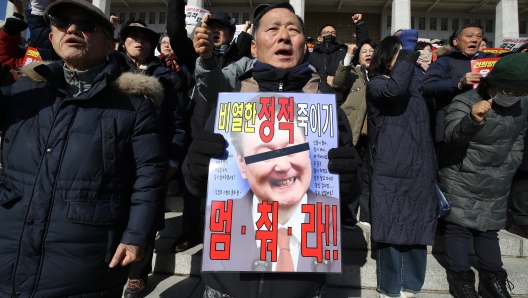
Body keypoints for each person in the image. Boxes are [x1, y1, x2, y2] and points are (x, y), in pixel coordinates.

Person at [186, 3, 362, 297]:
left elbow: (350, 191)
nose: (284, 37)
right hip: (227, 283)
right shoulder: (230, 104)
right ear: (254, 47)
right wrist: (195, 168)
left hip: (301, 287)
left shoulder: (328, 110)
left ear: (304, 46)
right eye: (273, 29)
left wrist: (348, 181)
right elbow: (197, 184)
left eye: (293, 30)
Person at [0, 0, 168, 297]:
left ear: (109, 45)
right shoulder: (23, 91)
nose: (73, 29)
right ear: (51, 37)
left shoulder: (135, 104)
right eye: (63, 22)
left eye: (87, 25)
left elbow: (150, 176)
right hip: (9, 242)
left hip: (86, 262)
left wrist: (137, 235)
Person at [202, 95, 340, 272]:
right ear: (242, 164)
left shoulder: (331, 215)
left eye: (292, 148)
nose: (283, 165)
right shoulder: (217, 219)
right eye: (265, 154)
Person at [437, 53, 528, 298]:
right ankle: (461, 280)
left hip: (499, 175)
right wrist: (472, 120)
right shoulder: (466, 101)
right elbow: (453, 138)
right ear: (495, 83)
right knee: (459, 227)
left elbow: (519, 136)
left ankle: (493, 279)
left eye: (521, 93)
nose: (515, 97)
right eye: (510, 91)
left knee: (489, 229)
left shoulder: (523, 105)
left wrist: (513, 161)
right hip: (462, 174)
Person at [115, 19, 186, 298]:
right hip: (113, 157)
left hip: (151, 159)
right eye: (132, 37)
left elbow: (176, 122)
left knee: (146, 219)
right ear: (123, 42)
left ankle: (137, 276)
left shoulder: (164, 77)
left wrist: (173, 159)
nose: (139, 42)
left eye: (145, 38)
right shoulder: (107, 70)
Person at [366, 32, 438, 298]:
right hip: (390, 171)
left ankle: (412, 287)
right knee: (391, 232)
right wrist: (408, 46)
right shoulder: (377, 84)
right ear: (387, 59)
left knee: (418, 231)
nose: (409, 58)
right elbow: (395, 89)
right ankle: (390, 289)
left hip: (419, 170)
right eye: (401, 54)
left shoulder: (415, 82)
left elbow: (418, 86)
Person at [422, 23, 495, 150]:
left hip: (487, 128)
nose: (474, 40)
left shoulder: (492, 61)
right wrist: (459, 83)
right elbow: (427, 87)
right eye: (469, 36)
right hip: (452, 126)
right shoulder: (444, 61)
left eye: (478, 36)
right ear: (456, 41)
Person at [332, 38, 377, 228]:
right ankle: (348, 215)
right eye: (364, 51)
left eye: (372, 51)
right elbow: (338, 83)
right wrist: (348, 56)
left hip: (374, 135)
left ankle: (366, 215)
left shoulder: (381, 76)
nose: (368, 54)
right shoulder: (353, 73)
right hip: (354, 132)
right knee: (352, 173)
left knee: (369, 176)